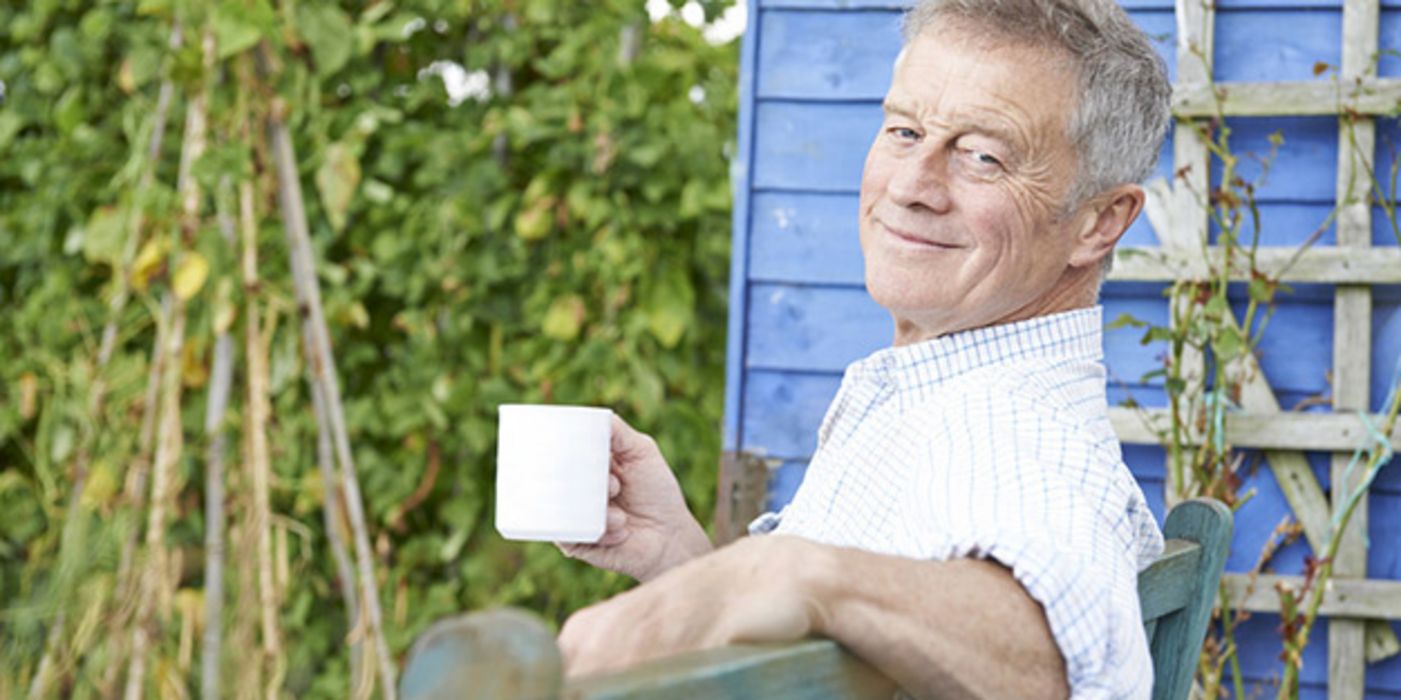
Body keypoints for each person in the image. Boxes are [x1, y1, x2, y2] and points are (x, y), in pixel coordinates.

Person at [556, 0, 1171, 696]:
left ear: (1097, 222)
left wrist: (789, 571)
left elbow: (1052, 658)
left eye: (982, 156)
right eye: (904, 131)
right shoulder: (944, 390)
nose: (910, 187)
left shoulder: (1015, 432)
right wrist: (682, 560)